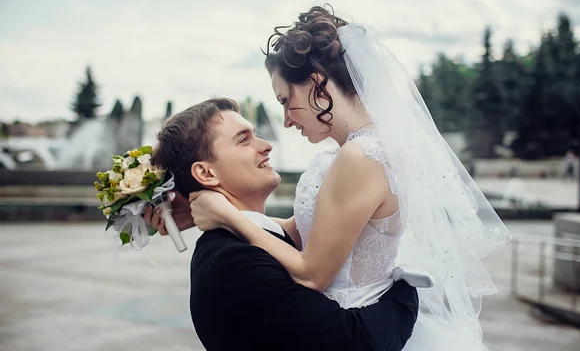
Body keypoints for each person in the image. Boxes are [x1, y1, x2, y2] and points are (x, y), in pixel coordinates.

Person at [189, 6, 512, 350]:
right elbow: (298, 229)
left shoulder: (361, 157)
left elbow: (312, 274)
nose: (285, 119)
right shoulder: (350, 153)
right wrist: (196, 210)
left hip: (353, 329)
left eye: (286, 100)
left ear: (315, 84)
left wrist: (225, 215)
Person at [146, 98, 421, 351]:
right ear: (206, 173)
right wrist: (404, 293)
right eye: (243, 140)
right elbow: (359, 341)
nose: (266, 145)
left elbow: (305, 226)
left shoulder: (246, 237)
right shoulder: (233, 263)